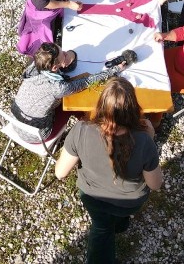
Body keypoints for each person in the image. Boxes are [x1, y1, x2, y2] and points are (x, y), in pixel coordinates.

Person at [55, 77, 163, 264]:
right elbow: (155, 184)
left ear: (101, 104)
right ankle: (120, 224)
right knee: (115, 219)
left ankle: (114, 226)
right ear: (133, 109)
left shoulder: (81, 130)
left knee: (101, 228)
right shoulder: (144, 141)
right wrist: (151, 140)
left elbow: (60, 172)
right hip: (130, 202)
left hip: (93, 197)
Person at [11, 42, 131, 142]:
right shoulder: (58, 87)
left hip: (15, 121)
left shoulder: (33, 66)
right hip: (36, 133)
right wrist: (115, 69)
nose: (65, 53)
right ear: (54, 67)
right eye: (63, 54)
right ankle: (90, 128)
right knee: (73, 102)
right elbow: (86, 82)